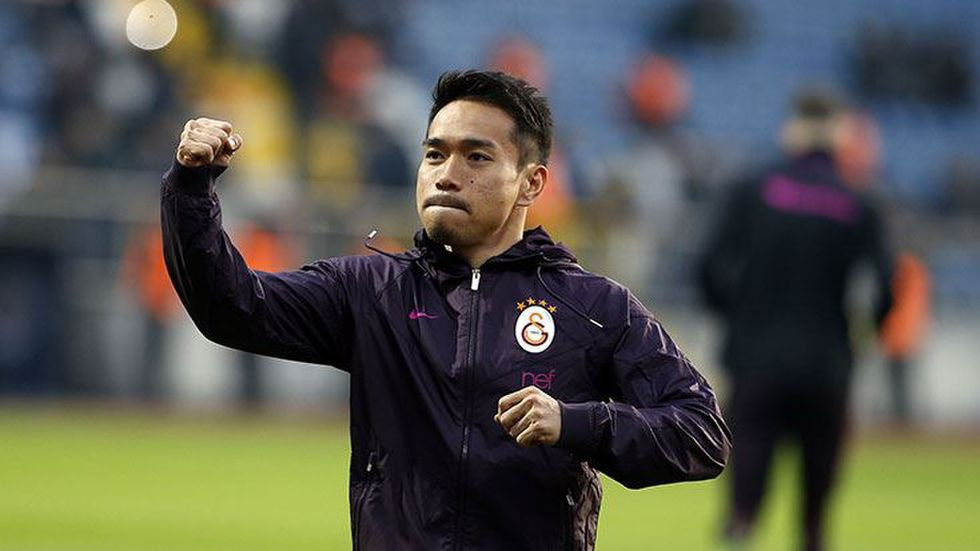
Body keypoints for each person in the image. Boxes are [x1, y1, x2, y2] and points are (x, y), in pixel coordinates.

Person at [162, 70, 731, 550]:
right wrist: (190, 188)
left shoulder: (594, 307)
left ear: (531, 183)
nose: (447, 173)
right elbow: (230, 307)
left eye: (476, 156)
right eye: (435, 154)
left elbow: (701, 433)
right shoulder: (370, 290)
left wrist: (576, 423)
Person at [698, 90, 894, 551]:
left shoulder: (754, 188)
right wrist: (863, 333)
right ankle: (812, 536)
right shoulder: (859, 201)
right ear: (840, 132)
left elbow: (709, 267)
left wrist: (736, 317)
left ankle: (741, 526)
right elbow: (886, 286)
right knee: (816, 501)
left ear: (792, 129)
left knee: (745, 485)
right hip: (826, 361)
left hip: (756, 356)